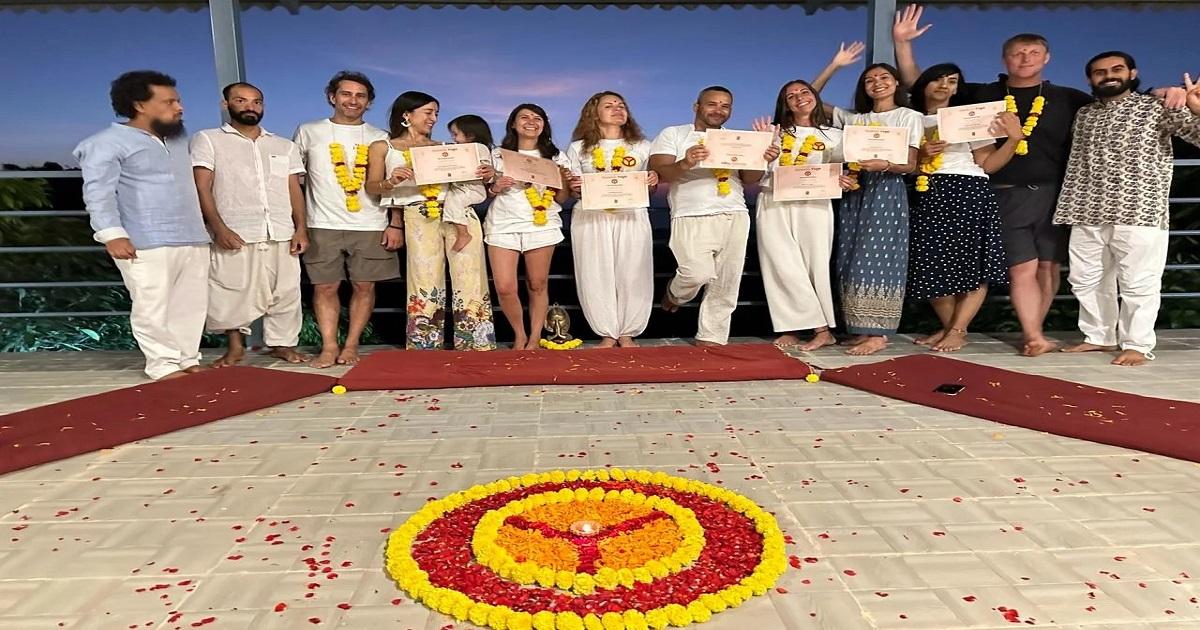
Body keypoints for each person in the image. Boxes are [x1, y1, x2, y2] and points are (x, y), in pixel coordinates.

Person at [892, 8, 1095, 357]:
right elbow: (924, 84)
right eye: (1017, 53)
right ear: (1005, 59)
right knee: (1018, 266)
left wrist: (1171, 94)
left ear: (1047, 57)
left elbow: (1114, 104)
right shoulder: (983, 94)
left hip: (1053, 192)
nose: (1025, 58)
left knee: (1048, 266)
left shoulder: (1069, 97)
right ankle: (1007, 332)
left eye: (1033, 52)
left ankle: (1034, 333)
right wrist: (903, 45)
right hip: (998, 191)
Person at [1054, 54, 1200, 366]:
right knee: (1085, 280)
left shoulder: (1158, 105)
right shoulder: (1084, 114)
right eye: (1099, 72)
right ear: (1090, 79)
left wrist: (1196, 108)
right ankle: (1099, 336)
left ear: (1132, 73)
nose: (1108, 76)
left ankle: (1137, 344)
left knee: (1138, 282)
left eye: (1117, 69)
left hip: (1138, 210)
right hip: (1085, 208)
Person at [74, 70, 211, 381]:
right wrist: (112, 235)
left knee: (190, 305)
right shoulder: (104, 143)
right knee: (152, 305)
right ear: (139, 105)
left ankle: (187, 359)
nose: (179, 107)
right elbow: (98, 193)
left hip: (192, 235)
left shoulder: (178, 140)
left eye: (178, 100)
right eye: (169, 102)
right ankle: (163, 365)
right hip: (144, 239)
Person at [364, 92, 496, 351]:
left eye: (436, 113)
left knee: (470, 276)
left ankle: (475, 344)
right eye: (428, 112)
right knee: (423, 279)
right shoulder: (383, 147)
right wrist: (391, 183)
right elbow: (371, 186)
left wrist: (489, 173)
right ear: (407, 114)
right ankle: (424, 345)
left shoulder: (446, 147)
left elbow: (474, 181)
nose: (434, 118)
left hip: (459, 213)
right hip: (418, 214)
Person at [906, 64, 1024, 352]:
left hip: (967, 188)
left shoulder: (969, 118)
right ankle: (951, 328)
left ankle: (957, 330)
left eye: (952, 81)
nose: (944, 85)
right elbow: (902, 164)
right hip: (927, 190)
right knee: (929, 263)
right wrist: (921, 156)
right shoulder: (909, 119)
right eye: (937, 80)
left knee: (972, 264)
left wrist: (1013, 139)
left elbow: (988, 163)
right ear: (923, 84)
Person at [648, 86, 778, 346]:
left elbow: (749, 178)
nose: (718, 110)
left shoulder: (735, 139)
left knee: (726, 282)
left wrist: (761, 158)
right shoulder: (674, 134)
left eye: (725, 105)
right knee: (695, 274)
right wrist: (686, 162)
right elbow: (660, 173)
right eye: (712, 104)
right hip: (690, 213)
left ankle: (712, 338)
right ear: (697, 107)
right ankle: (675, 294)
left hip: (735, 212)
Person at [191, 82, 309, 367]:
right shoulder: (208, 139)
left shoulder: (284, 145)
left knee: (287, 292)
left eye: (256, 102)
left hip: (280, 229)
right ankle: (235, 347)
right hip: (236, 229)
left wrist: (301, 228)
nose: (250, 107)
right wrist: (218, 228)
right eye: (241, 100)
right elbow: (202, 187)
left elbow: (294, 189)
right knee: (230, 289)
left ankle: (282, 345)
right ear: (226, 104)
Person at [812, 58, 924, 356]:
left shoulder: (908, 116)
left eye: (884, 77)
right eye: (869, 79)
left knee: (878, 256)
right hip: (854, 188)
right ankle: (860, 329)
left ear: (896, 82)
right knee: (849, 257)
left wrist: (884, 164)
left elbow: (911, 164)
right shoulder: (854, 119)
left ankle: (879, 333)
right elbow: (810, 97)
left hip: (887, 188)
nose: (877, 83)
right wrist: (834, 65)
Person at [293, 71, 395, 368]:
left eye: (360, 96)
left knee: (365, 286)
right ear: (332, 97)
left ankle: (351, 345)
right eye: (346, 94)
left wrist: (395, 223)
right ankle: (328, 346)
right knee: (325, 287)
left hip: (371, 222)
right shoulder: (309, 131)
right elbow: (294, 179)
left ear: (369, 102)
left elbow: (393, 183)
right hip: (321, 223)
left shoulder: (380, 137)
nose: (353, 100)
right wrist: (299, 226)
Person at [753, 79, 852, 351]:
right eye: (791, 96)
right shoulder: (772, 132)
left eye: (804, 92)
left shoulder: (835, 135)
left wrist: (846, 179)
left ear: (815, 97)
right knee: (781, 265)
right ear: (785, 104)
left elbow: (849, 168)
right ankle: (800, 328)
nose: (799, 98)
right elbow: (754, 172)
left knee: (814, 267)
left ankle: (818, 329)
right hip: (774, 201)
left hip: (815, 204)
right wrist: (762, 151)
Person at [564, 91, 659, 348]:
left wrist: (653, 181)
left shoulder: (643, 146)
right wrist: (574, 186)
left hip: (632, 215)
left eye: (621, 105)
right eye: (609, 105)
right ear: (594, 113)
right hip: (591, 217)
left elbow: (650, 186)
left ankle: (628, 332)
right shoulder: (578, 148)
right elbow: (572, 189)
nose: (618, 109)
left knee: (634, 272)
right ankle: (606, 332)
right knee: (594, 272)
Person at [485, 104, 573, 350]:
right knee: (505, 287)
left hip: (541, 224)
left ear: (544, 125)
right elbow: (486, 193)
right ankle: (519, 334)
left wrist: (563, 179)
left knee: (537, 283)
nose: (531, 121)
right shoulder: (497, 155)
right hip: (503, 223)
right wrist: (496, 186)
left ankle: (534, 337)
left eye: (537, 118)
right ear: (513, 124)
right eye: (524, 117)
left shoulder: (556, 156)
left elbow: (561, 199)